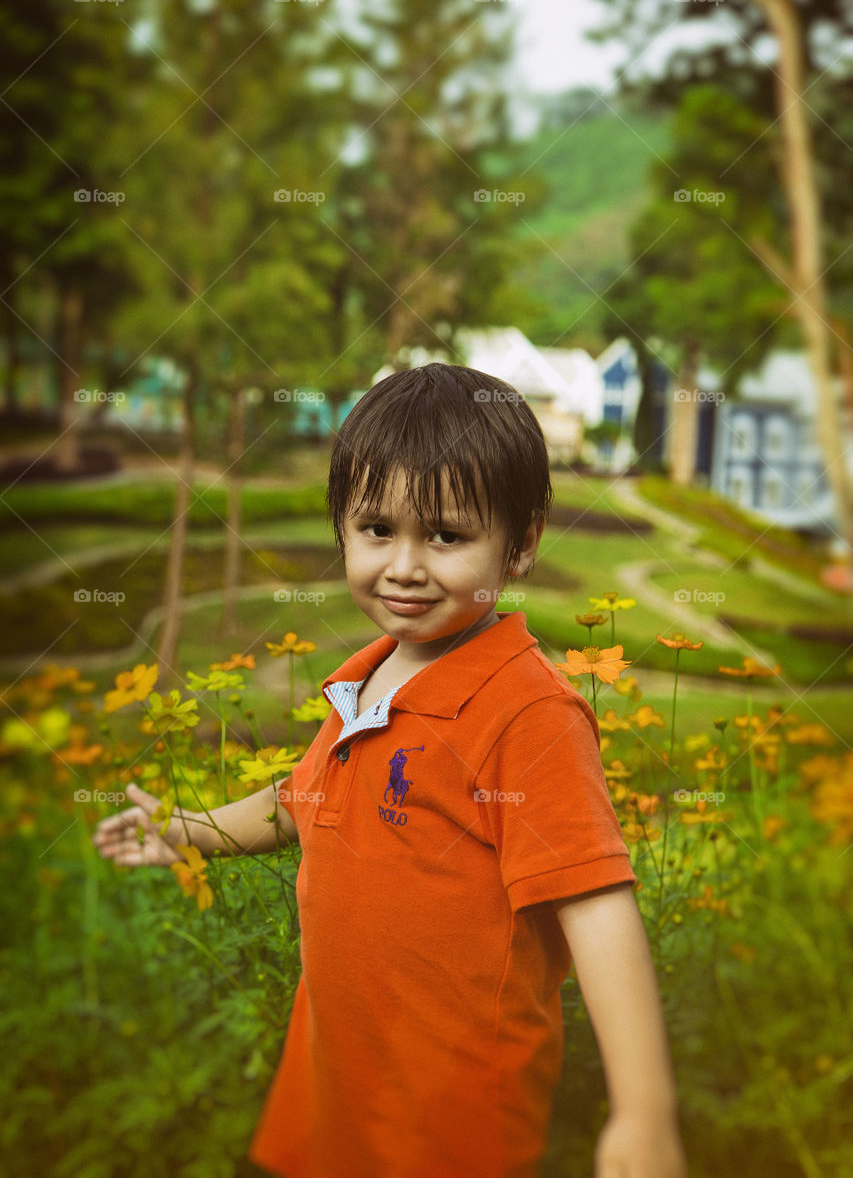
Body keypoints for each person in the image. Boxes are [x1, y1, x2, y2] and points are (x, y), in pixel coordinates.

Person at [93, 363, 687, 1178]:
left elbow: (595, 904)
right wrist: (187, 830)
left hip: (449, 1112)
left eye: (445, 536)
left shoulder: (527, 713)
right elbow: (303, 801)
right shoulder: (363, 677)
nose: (404, 565)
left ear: (520, 543)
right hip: (338, 1078)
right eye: (376, 528)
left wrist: (643, 1111)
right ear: (342, 525)